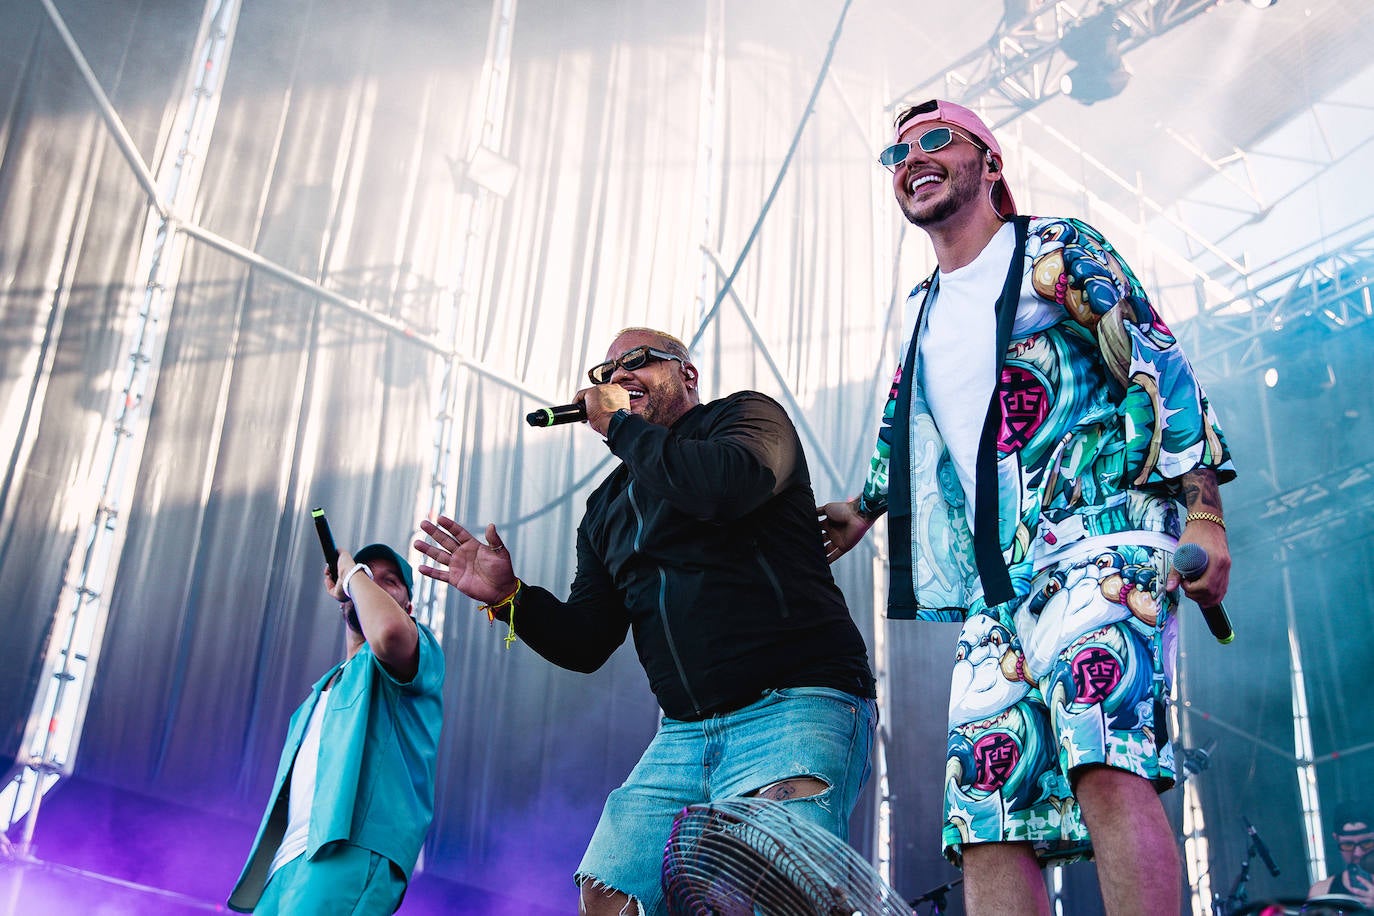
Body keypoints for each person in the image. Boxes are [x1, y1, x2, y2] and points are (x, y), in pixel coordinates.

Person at [818, 99, 1236, 915]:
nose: (913, 159)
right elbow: (911, 418)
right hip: (997, 581)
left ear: (991, 164)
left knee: (1106, 759)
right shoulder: (920, 307)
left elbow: (1154, 363)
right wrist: (869, 504)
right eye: (896, 155)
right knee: (986, 813)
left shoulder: (1055, 249)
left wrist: (1205, 511)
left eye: (936, 141)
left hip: (1101, 536)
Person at [415, 327, 877, 916]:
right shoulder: (606, 507)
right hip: (684, 733)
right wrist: (510, 596)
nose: (615, 378)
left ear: (688, 374)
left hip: (794, 704)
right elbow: (586, 641)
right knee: (609, 894)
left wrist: (619, 427)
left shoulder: (748, 420)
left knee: (767, 887)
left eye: (637, 362)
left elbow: (725, 488)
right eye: (603, 374)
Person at [228, 542, 444, 915]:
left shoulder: (415, 647)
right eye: (365, 576)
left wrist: (350, 568)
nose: (369, 584)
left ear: (408, 607)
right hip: (286, 863)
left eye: (388, 581)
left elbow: (390, 633)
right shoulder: (320, 692)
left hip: (350, 850)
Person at [1307, 802, 1374, 908]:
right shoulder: (1321, 892)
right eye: (1348, 845)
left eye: (1367, 843)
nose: (1358, 853)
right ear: (1336, 840)